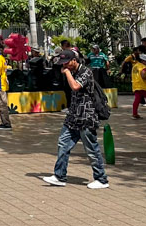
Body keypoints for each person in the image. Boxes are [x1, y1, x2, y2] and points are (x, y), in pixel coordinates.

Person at [42, 49, 109, 189]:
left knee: (91, 148)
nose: (64, 66)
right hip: (73, 116)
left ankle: (101, 179)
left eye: (66, 63)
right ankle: (59, 175)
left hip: (86, 116)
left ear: (74, 60)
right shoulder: (71, 71)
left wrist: (66, 73)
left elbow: (75, 86)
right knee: (63, 144)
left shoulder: (86, 71)